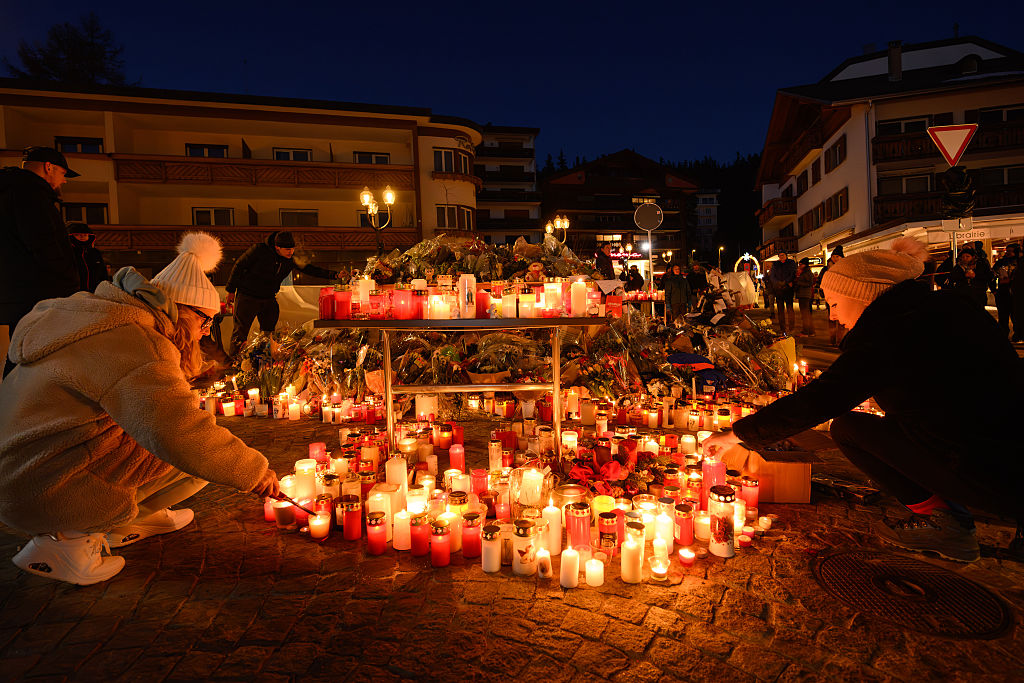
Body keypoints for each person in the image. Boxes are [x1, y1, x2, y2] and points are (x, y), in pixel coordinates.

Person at [703, 238, 1024, 563]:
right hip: (1004, 446)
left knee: (849, 429)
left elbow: (821, 399)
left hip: (986, 467)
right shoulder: (944, 308)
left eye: (835, 305)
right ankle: (950, 517)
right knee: (867, 424)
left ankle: (945, 524)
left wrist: (735, 434)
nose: (833, 316)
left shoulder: (893, 333)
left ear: (863, 296)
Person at [0, 232, 279, 585]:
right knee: (195, 447)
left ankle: (128, 522)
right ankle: (66, 545)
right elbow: (176, 429)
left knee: (198, 449)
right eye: (203, 320)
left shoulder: (107, 319)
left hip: (23, 468)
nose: (204, 332)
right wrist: (254, 472)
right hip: (41, 486)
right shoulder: (135, 341)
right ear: (178, 311)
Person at [1, 147, 82, 378]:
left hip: (18, 293)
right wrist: (68, 282)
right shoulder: (30, 194)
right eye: (63, 173)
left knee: (22, 351)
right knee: (32, 354)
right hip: (38, 294)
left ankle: (15, 405)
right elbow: (43, 243)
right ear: (49, 167)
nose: (64, 181)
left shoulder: (11, 190)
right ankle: (17, 408)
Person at [226, 231, 341, 355]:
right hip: (248, 296)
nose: (290, 252)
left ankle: (265, 358)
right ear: (277, 247)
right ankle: (234, 362)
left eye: (292, 249)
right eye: (287, 249)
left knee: (269, 332)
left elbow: (309, 269)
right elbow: (239, 266)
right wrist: (231, 290)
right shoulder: (259, 250)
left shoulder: (291, 259)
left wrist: (334, 275)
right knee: (241, 331)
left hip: (269, 297)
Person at [67, 222, 110, 293]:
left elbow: (103, 273)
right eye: (77, 235)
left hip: (95, 292)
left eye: (85, 234)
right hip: (73, 293)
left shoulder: (95, 253)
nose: (82, 237)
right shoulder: (68, 253)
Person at [992, 244, 1020, 337]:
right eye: (1007, 251)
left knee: (1016, 316)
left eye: (1011, 251)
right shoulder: (1000, 262)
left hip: (1017, 293)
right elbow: (992, 276)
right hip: (1003, 292)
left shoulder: (1020, 262)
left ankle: (1018, 334)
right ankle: (1003, 334)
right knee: (1003, 315)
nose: (1008, 253)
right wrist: (994, 290)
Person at [766, 252, 796, 334]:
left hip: (788, 289)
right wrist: (778, 283)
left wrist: (786, 282)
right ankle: (782, 328)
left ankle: (791, 327)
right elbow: (772, 276)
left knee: (790, 308)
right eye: (780, 255)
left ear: (786, 256)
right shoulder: (776, 264)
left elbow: (792, 273)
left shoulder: (791, 262)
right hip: (778, 289)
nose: (781, 257)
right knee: (780, 310)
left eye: (783, 255)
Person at [795, 257, 816, 336]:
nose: (799, 266)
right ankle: (811, 331)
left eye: (801, 264)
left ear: (805, 265)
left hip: (805, 295)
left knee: (805, 314)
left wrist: (798, 282)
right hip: (802, 294)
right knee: (806, 314)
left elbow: (810, 283)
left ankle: (806, 331)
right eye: (799, 264)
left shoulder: (807, 273)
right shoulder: (803, 272)